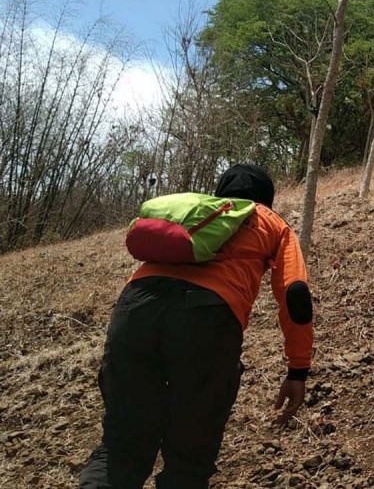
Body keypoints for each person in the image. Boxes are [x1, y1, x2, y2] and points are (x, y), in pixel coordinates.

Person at [80, 164, 314, 489]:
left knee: (119, 449)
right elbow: (295, 294)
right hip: (208, 320)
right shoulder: (271, 222)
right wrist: (298, 370)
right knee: (189, 460)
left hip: (134, 309)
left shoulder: (196, 215)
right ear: (267, 199)